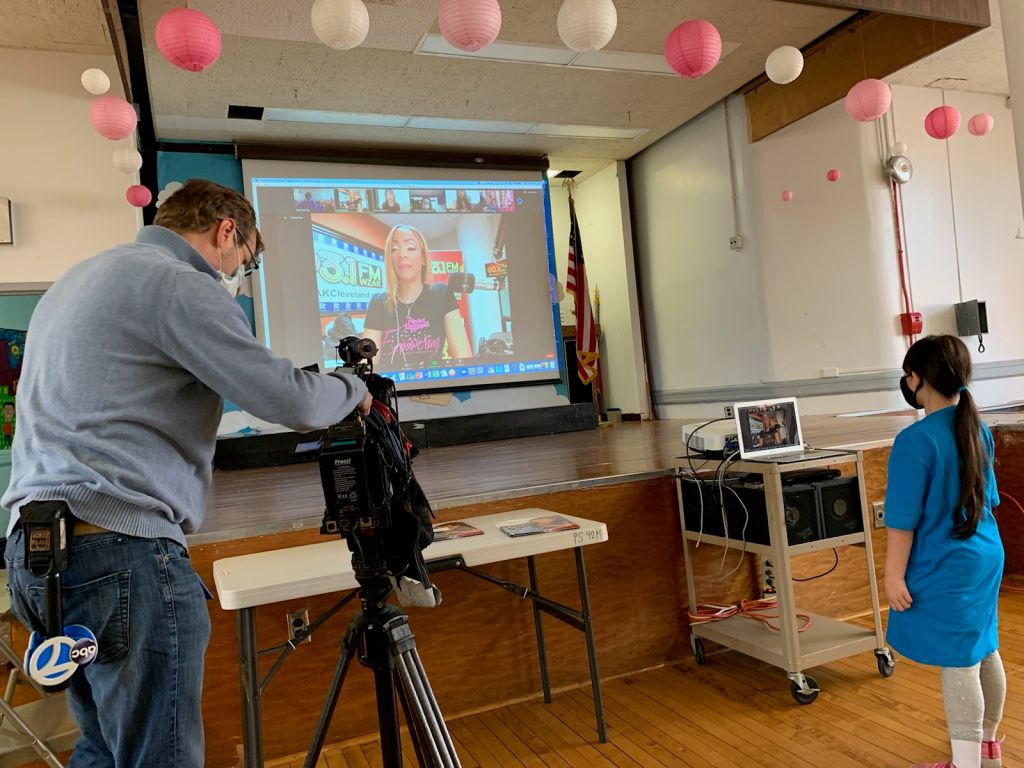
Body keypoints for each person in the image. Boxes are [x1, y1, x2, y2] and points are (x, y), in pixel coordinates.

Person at [1, 179, 372, 768]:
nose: (240, 274)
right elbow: (289, 399)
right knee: (159, 757)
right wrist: (352, 390)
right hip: (119, 553)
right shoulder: (177, 283)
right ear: (227, 231)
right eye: (248, 260)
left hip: (38, 553)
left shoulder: (80, 278)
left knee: (102, 747)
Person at [885, 335, 1005, 768]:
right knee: (984, 647)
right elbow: (987, 501)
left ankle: (967, 764)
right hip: (985, 557)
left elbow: (901, 520)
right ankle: (988, 749)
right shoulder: (977, 427)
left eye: (907, 375)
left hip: (948, 566)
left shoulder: (915, 441)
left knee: (959, 660)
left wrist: (893, 577)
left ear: (917, 379)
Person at [363, 224, 472, 368]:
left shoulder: (443, 293)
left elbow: (463, 357)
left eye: (411, 248)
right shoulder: (378, 302)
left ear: (423, 259)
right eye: (394, 249)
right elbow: (368, 364)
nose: (402, 254)